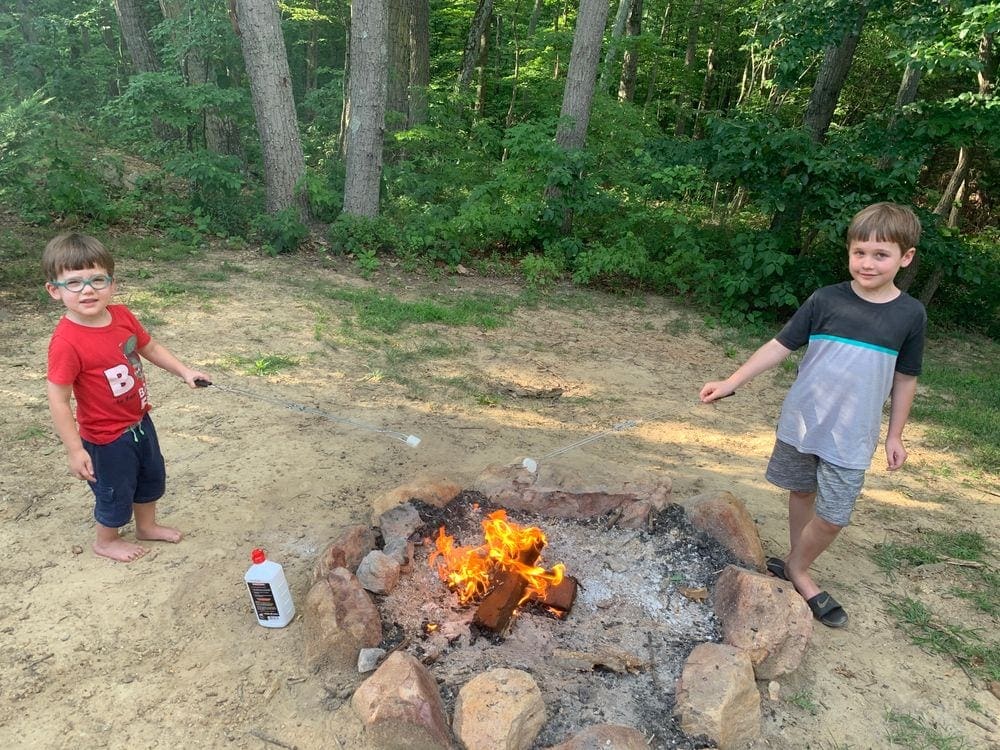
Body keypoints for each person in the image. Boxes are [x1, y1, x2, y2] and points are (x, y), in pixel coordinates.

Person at [700, 203, 927, 628]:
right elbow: (779, 346)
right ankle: (798, 567)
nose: (868, 263)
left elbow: (906, 378)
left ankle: (797, 567)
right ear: (849, 252)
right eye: (860, 252)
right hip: (804, 422)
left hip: (853, 435)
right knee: (801, 492)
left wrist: (895, 436)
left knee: (834, 515)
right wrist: (732, 381)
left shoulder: (910, 314)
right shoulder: (825, 299)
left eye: (881, 255)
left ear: (905, 257)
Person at [43, 232, 210, 563]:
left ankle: (146, 526)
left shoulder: (122, 317)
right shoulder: (66, 342)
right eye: (73, 282)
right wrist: (75, 450)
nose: (87, 290)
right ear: (54, 290)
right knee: (114, 490)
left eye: (97, 280)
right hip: (105, 438)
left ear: (112, 284)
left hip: (138, 420)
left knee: (150, 476)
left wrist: (184, 371)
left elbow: (148, 347)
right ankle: (106, 540)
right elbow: (58, 400)